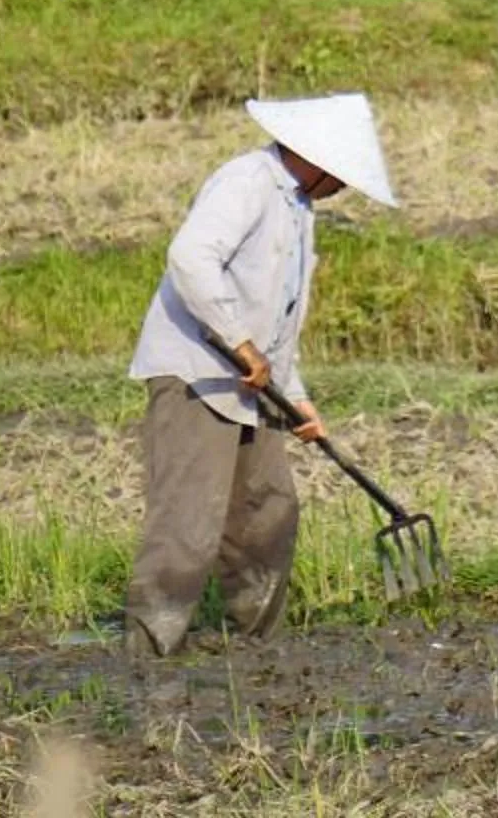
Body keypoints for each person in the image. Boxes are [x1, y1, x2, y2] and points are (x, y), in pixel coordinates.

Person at [123, 93, 398, 656]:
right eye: (342, 177)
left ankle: (257, 647)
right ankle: (150, 653)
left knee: (268, 512)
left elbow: (278, 316)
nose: (343, 189)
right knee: (189, 523)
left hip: (251, 383)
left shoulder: (298, 209)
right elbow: (191, 258)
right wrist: (239, 342)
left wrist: (296, 397)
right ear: (318, 161)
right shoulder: (247, 180)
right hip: (198, 373)